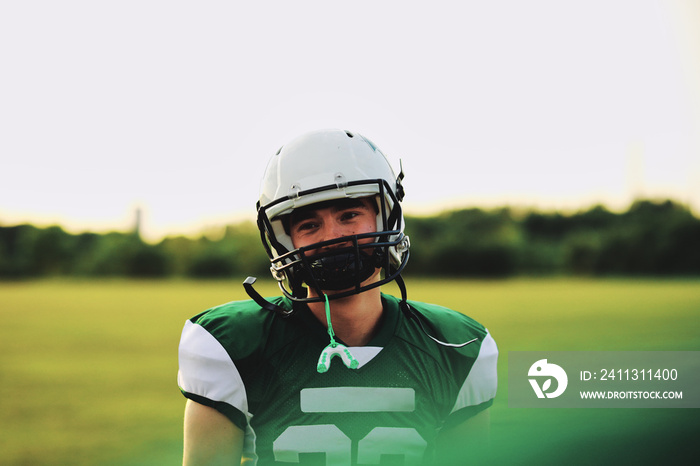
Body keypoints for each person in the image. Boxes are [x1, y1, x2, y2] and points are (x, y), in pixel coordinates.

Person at [177, 128, 498, 466]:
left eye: (349, 215)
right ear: (286, 243)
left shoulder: (453, 346)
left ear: (386, 215)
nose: (332, 237)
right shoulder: (235, 345)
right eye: (309, 226)